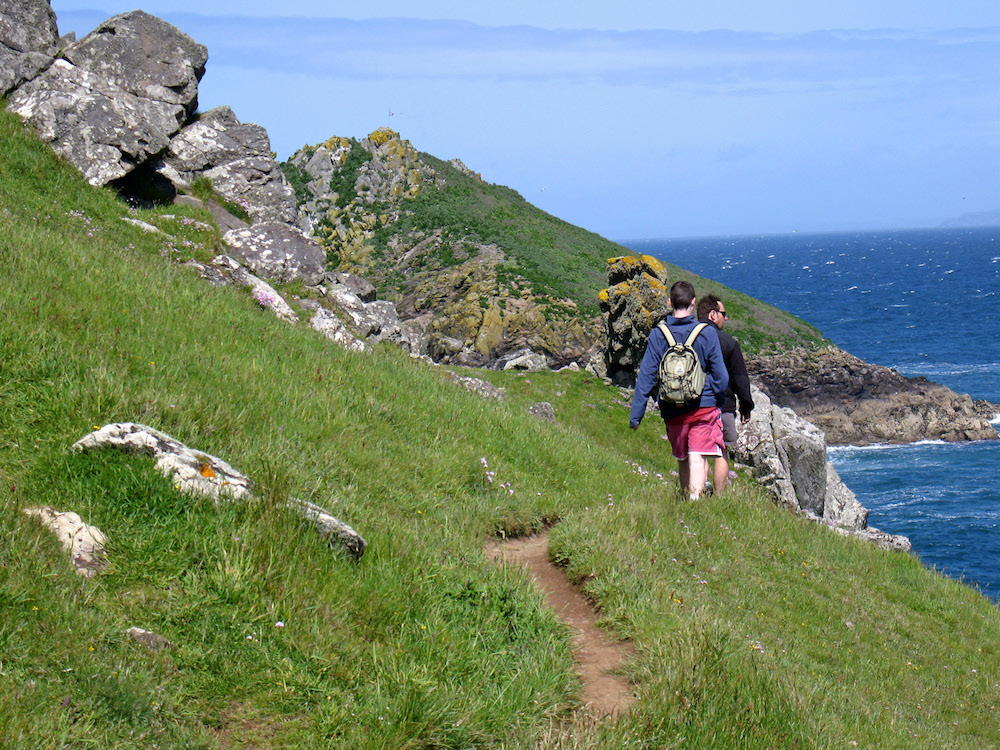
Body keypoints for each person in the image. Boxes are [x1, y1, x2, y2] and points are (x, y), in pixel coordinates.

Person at [629, 281, 729, 500]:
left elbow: (646, 376)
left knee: (683, 456)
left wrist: (636, 416)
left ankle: (687, 499)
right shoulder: (706, 333)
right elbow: (721, 376)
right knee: (697, 454)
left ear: (670, 302)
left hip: (672, 408)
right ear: (693, 303)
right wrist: (714, 397)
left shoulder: (658, 334)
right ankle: (695, 503)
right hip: (703, 407)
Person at [697, 294, 754, 494]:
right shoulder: (728, 343)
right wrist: (746, 406)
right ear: (713, 315)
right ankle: (719, 496)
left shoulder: (689, 337)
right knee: (721, 451)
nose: (726, 318)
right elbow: (740, 379)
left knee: (699, 450)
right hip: (723, 405)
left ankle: (699, 491)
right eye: (723, 313)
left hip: (693, 404)